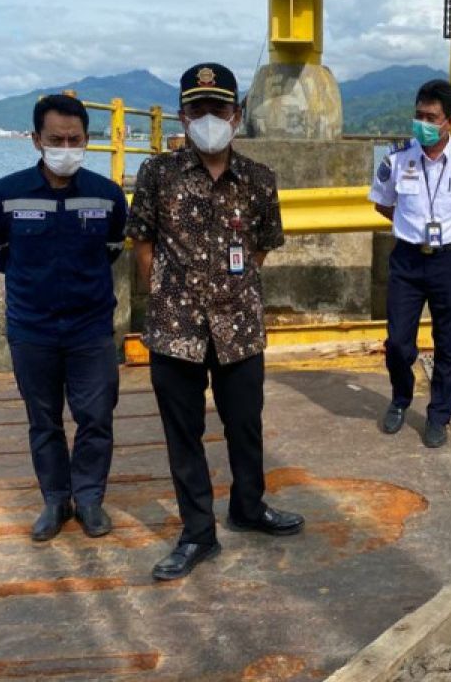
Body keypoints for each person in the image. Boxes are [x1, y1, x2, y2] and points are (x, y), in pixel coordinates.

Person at [127, 62, 304, 582]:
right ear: (183, 114)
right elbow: (142, 241)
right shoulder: (157, 174)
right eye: (198, 108)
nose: (209, 117)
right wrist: (163, 293)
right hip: (174, 330)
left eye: (219, 108)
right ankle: (198, 533)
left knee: (245, 426)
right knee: (184, 434)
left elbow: (263, 248)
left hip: (239, 329)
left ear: (237, 114)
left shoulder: (258, 180)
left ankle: (248, 507)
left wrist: (231, 291)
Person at [0, 94, 128, 540]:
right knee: (43, 420)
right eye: (56, 139)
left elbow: (113, 248)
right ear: (36, 140)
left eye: (75, 139)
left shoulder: (107, 195)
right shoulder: (4, 194)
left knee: (96, 416)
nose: (66, 147)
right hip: (32, 328)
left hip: (91, 328)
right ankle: (54, 500)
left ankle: (89, 499)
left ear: (87, 140)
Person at [369, 79, 451, 449]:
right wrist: (413, 227)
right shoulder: (396, 159)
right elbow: (382, 202)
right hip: (408, 260)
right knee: (398, 343)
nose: (422, 123)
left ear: (449, 122)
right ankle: (400, 398)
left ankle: (439, 415)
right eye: (418, 115)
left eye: (431, 117)